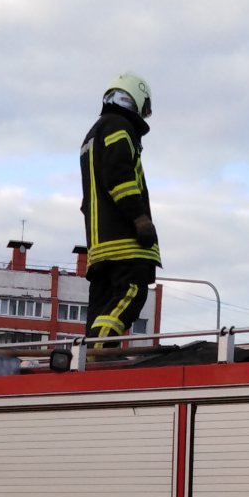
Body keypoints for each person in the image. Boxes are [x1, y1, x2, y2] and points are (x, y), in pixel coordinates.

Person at [79, 71, 160, 347]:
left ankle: (89, 358)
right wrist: (140, 219)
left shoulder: (93, 133)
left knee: (102, 306)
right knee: (132, 293)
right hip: (124, 242)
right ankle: (99, 352)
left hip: (100, 245)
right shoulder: (117, 128)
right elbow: (119, 178)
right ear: (136, 99)